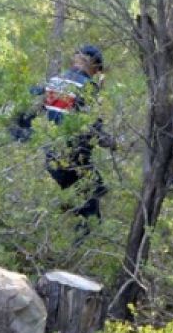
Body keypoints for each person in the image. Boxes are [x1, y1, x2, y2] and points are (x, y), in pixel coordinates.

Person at [12, 45, 111, 234]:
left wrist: (22, 134)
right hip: (75, 155)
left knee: (92, 190)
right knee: (91, 204)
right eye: (97, 69)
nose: (96, 73)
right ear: (92, 65)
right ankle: (81, 245)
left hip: (52, 155)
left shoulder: (54, 81)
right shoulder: (87, 87)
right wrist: (111, 143)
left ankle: (67, 226)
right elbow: (93, 126)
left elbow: (28, 107)